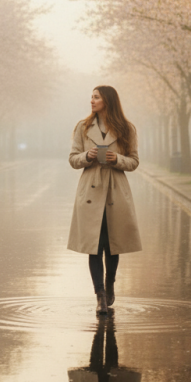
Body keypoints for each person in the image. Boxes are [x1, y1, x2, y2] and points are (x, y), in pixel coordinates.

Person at [68, 86, 142, 314]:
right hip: (90, 191)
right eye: (91, 96)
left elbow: (134, 161)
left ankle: (110, 282)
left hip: (115, 191)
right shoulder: (83, 127)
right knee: (94, 246)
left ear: (107, 101)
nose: (91, 100)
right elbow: (72, 159)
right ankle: (100, 296)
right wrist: (87, 156)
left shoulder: (126, 128)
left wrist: (116, 158)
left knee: (112, 244)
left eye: (96, 97)